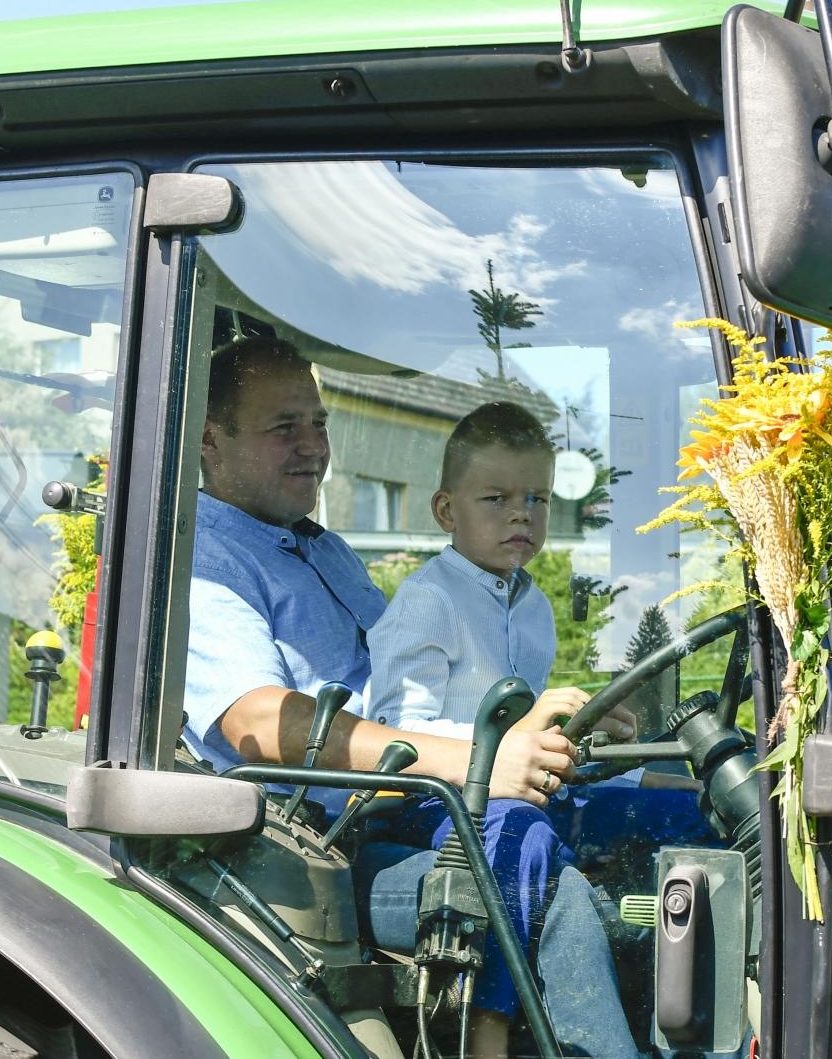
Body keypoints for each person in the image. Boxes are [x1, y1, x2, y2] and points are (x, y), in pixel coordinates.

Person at [183, 338, 639, 1059]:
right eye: (284, 427)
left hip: (405, 810)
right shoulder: (203, 560)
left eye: (320, 423)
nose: (313, 448)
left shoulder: (316, 547)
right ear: (211, 440)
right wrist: (479, 762)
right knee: (529, 852)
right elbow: (258, 722)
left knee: (648, 824)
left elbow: (412, 683)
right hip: (304, 857)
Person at [365, 401, 709, 867]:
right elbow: (394, 738)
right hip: (439, 803)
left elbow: (543, 745)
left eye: (537, 499)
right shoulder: (428, 600)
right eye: (496, 499)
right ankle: (549, 936)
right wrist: (514, 735)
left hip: (533, 791)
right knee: (522, 843)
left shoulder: (535, 607)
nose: (521, 514)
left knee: (696, 812)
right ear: (446, 510)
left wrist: (644, 777)